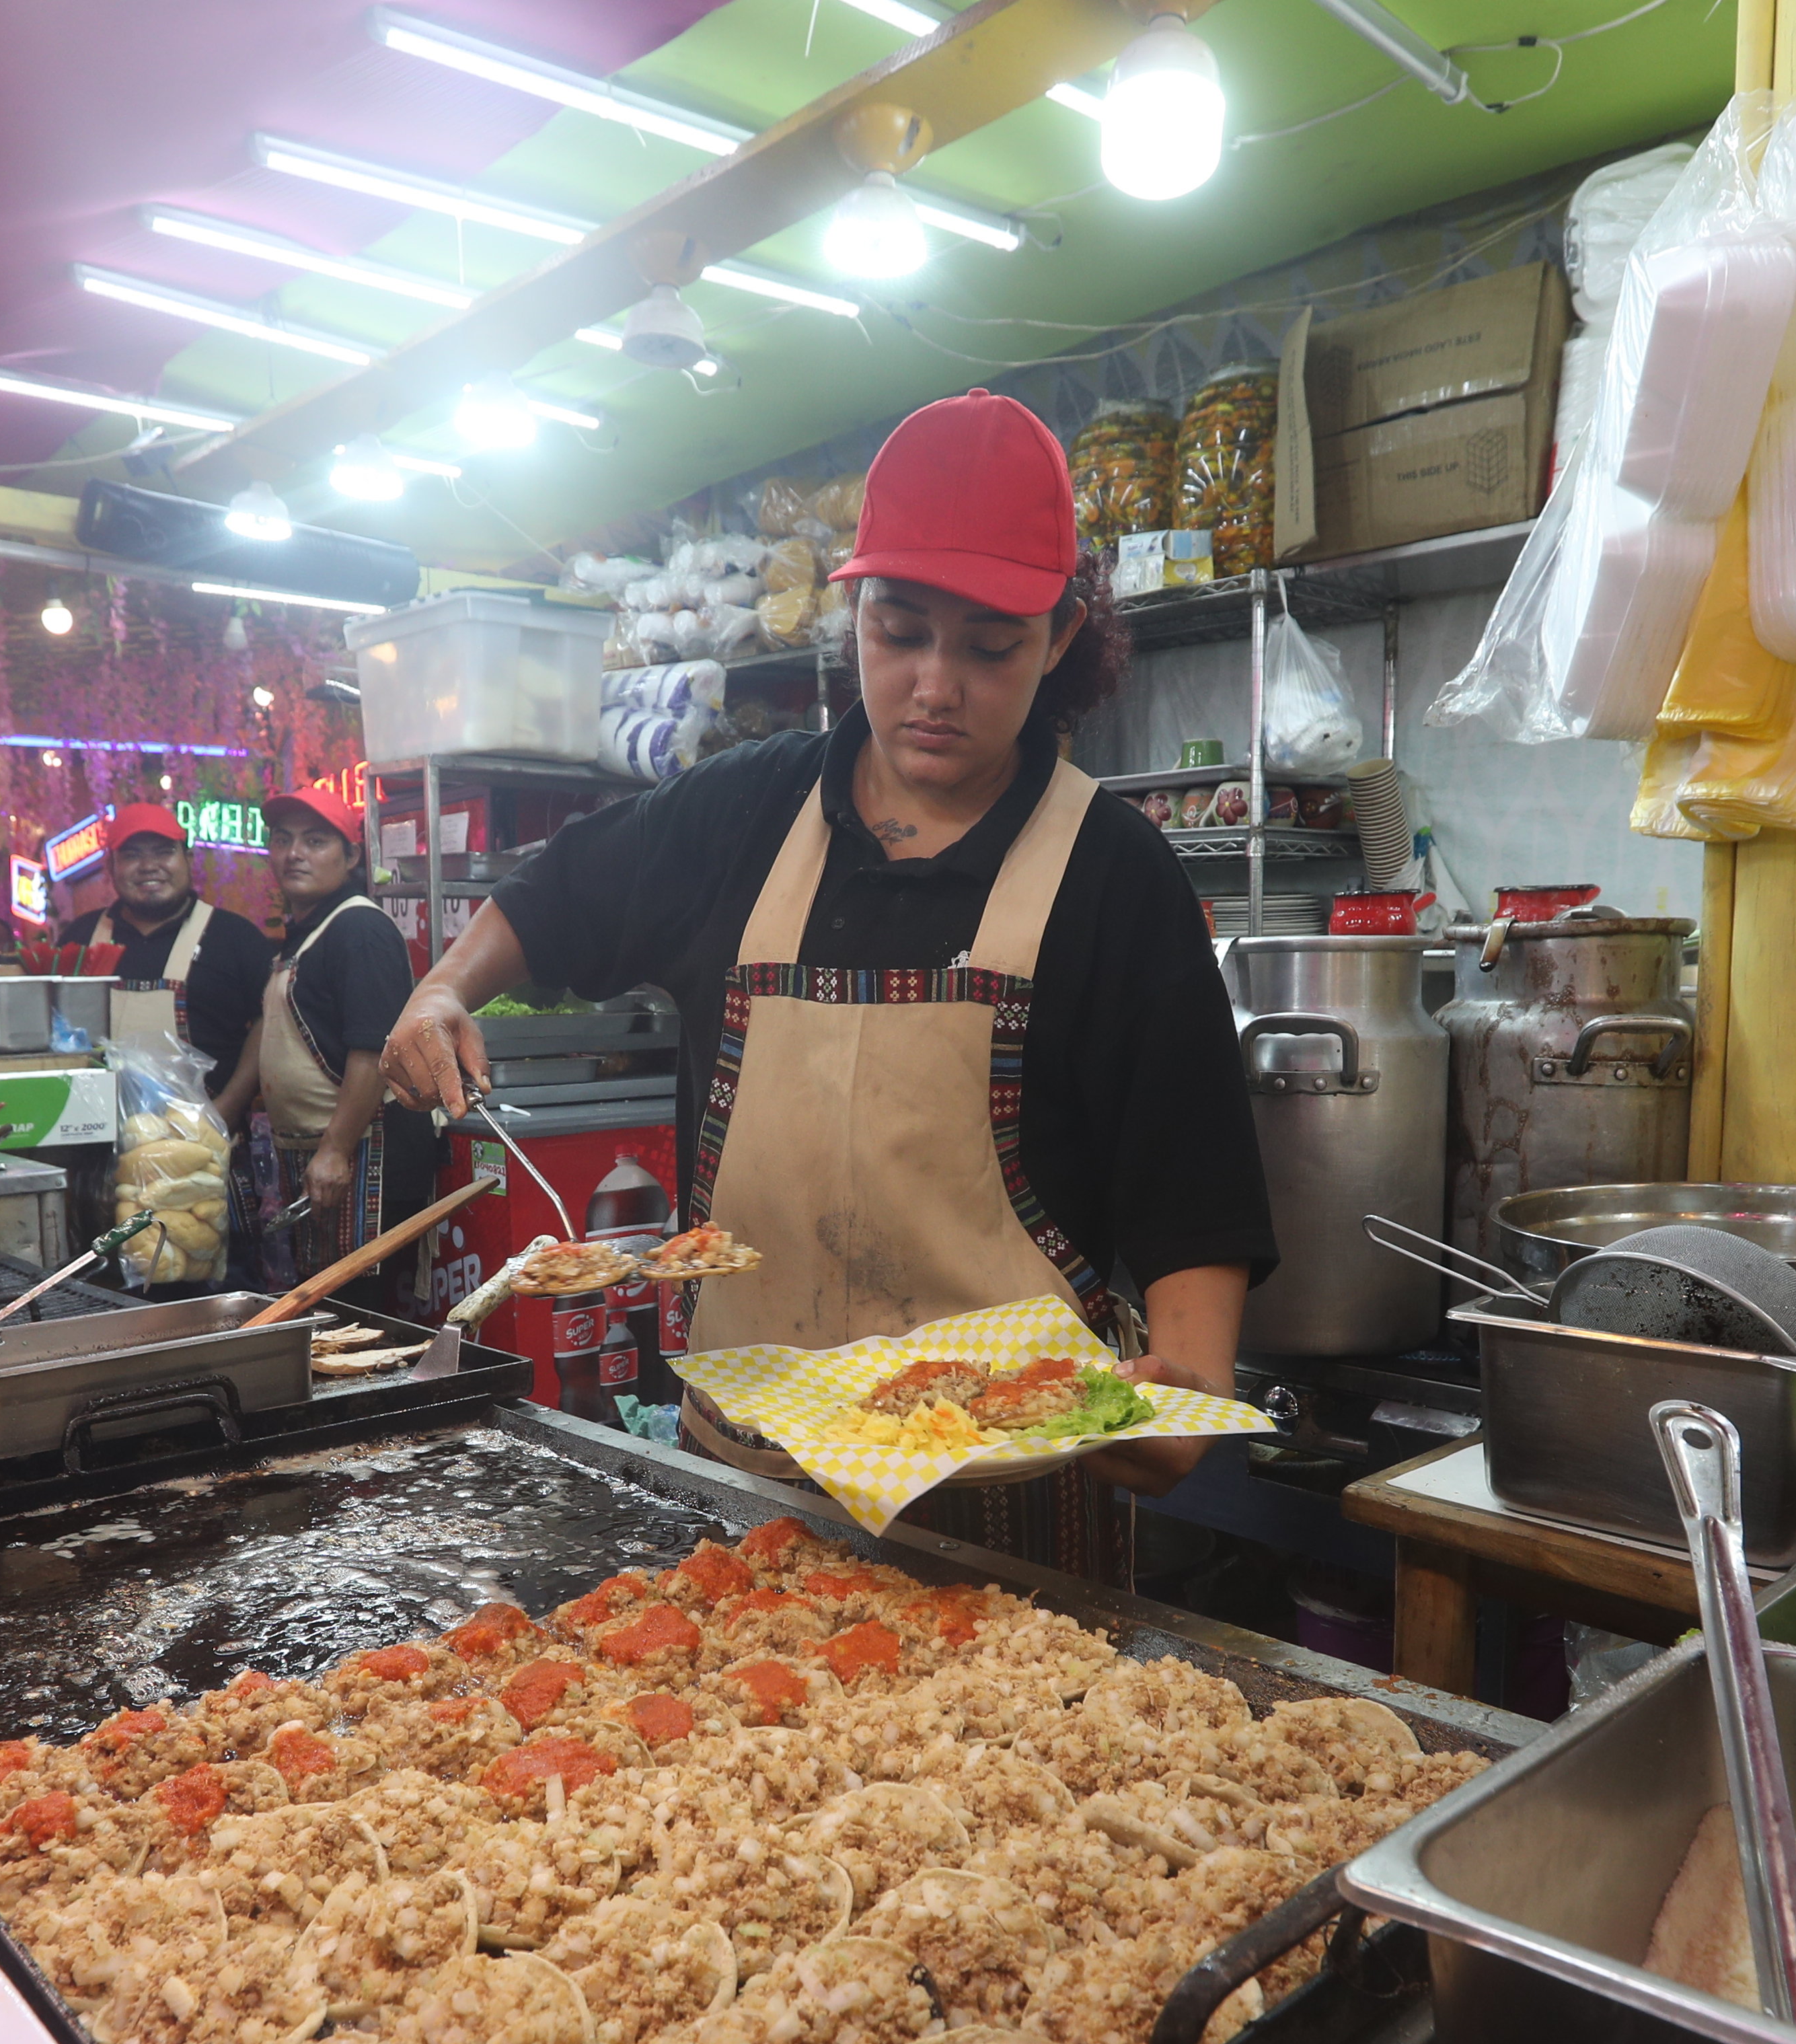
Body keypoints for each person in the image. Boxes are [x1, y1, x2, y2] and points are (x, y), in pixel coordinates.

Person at [385, 390, 1275, 1582]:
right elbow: (560, 894)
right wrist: (440, 991)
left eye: (989, 647)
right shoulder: (744, 810)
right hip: (745, 1496)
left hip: (1006, 1516)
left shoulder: (1115, 875)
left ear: (1061, 636)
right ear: (854, 614)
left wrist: (1188, 1385)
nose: (935, 685)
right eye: (899, 632)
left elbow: (1190, 1182)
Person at [216, 785, 435, 1300]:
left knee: (364, 1318)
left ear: (351, 855)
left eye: (315, 841)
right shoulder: (305, 933)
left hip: (366, 1156)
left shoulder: (358, 928)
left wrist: (336, 1149)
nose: (295, 854)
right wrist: (219, 1115)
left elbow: (374, 1051)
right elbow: (269, 1030)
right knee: (330, 1309)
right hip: (321, 1155)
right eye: (283, 840)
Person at [67, 803, 272, 1099]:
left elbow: (267, 1025)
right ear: (111, 868)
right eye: (132, 855)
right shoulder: (79, 938)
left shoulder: (235, 937)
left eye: (164, 852)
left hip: (210, 1126)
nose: (149, 866)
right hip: (95, 1123)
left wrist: (226, 1110)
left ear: (188, 860)